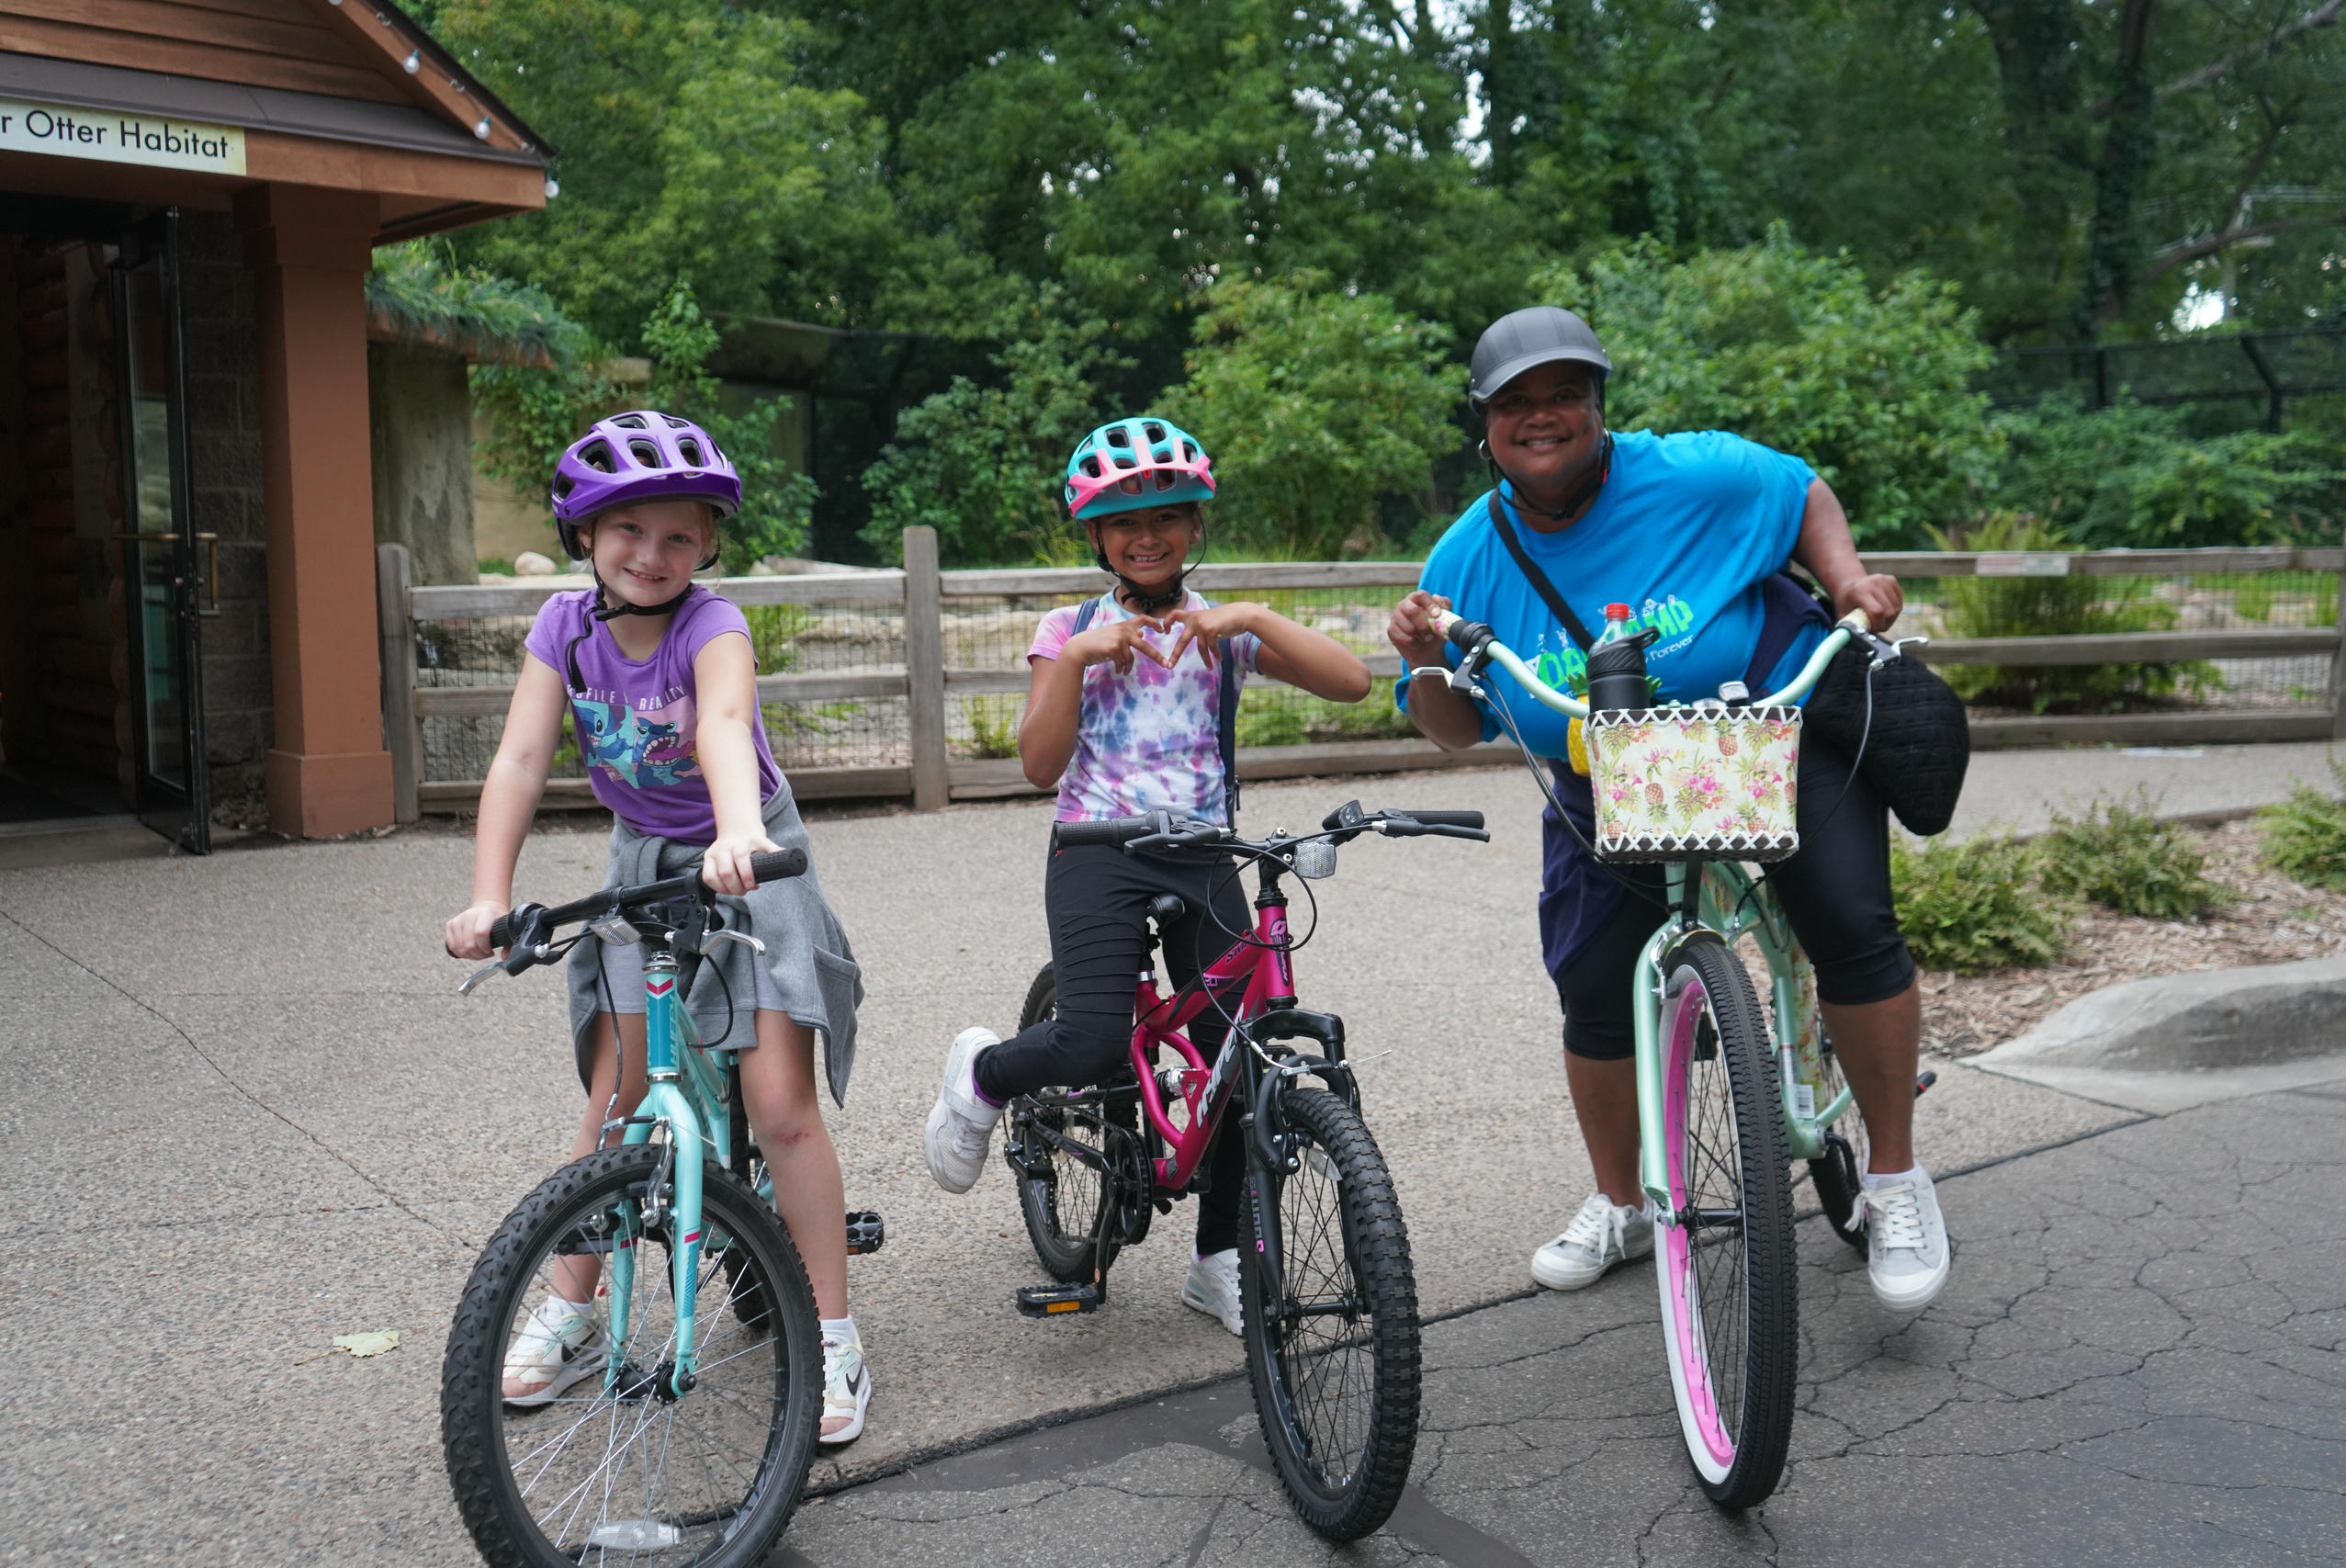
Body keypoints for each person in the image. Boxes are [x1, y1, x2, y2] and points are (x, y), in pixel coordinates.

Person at [1387, 308, 1950, 1313]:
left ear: (1600, 406)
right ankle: (1623, 1202)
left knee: (1852, 927)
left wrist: (1847, 578)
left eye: (1564, 393)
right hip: (1604, 772)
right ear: (1484, 426)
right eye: (1515, 402)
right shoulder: (1465, 559)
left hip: (1764, 730)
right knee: (1597, 992)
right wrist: (1421, 656)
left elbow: (1800, 488)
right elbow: (1453, 731)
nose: (1542, 416)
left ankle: (1895, 1180)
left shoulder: (1692, 472)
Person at [444, 411, 874, 1441]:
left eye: (679, 536)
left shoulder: (710, 628)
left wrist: (734, 834)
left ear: (708, 547)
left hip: (750, 849)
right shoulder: (563, 628)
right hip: (643, 857)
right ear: (584, 535)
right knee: (618, 1099)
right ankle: (569, 1309)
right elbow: (518, 760)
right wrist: (488, 895)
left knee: (780, 1105)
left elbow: (724, 727)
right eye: (627, 529)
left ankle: (832, 1334)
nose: (652, 554)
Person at [921, 416, 1372, 1332]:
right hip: (1096, 852)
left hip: (1204, 850)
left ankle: (1214, 1260)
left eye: (1167, 514)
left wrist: (1249, 619)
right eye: (1123, 520)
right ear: (1093, 536)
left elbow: (1352, 683)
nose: (1147, 535)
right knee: (1089, 1039)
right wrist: (1077, 663)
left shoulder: (1219, 630)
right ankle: (983, 1074)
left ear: (1195, 526)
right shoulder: (1068, 628)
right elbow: (1040, 765)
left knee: (1232, 1060)